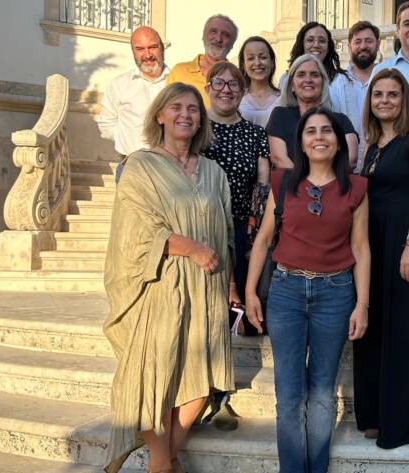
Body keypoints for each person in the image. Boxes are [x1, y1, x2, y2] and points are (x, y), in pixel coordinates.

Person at [102, 82, 235, 473]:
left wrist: (230, 283)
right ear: (159, 114)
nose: (185, 115)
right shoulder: (139, 165)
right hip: (159, 285)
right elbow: (136, 230)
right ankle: (164, 462)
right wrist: (190, 248)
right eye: (176, 107)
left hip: (207, 286)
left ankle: (164, 458)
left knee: (203, 375)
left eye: (193, 109)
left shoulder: (213, 171)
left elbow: (226, 232)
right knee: (152, 377)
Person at [244, 107, 370, 473]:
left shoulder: (356, 187)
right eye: (311, 131)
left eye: (326, 130)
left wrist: (362, 303)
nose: (319, 137)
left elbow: (361, 247)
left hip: (336, 292)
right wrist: (251, 292)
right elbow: (263, 239)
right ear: (300, 142)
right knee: (288, 392)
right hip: (286, 291)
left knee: (322, 392)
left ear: (338, 141)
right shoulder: (283, 183)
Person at [353, 68, 409, 448]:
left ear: (405, 100)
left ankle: (404, 422)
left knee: (403, 330)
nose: (385, 100)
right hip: (374, 243)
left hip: (406, 242)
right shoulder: (373, 143)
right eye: (378, 94)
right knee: (376, 328)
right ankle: (375, 413)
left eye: (392, 94)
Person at [204, 60, 270, 325]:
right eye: (218, 83)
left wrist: (256, 234)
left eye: (233, 84)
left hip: (241, 227)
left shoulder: (256, 134)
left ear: (243, 92)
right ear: (208, 88)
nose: (226, 90)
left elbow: (262, 186)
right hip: (203, 226)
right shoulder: (195, 128)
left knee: (236, 306)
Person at [97, 26, 169, 182]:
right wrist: (129, 145)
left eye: (152, 47)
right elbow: (106, 125)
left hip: (171, 171)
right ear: (133, 52)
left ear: (162, 48)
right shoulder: (119, 85)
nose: (147, 55)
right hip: (131, 170)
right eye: (140, 49)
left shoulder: (177, 82)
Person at [266, 55, 358, 169]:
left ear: (323, 83)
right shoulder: (280, 116)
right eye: (301, 75)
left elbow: (350, 159)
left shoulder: (341, 120)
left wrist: (320, 178)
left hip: (334, 181)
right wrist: (304, 180)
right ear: (292, 85)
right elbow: (279, 158)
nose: (308, 80)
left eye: (315, 75)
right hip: (291, 180)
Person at [168, 14, 238, 108]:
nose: (218, 39)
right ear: (203, 36)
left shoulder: (237, 78)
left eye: (226, 35)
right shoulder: (179, 72)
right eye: (213, 31)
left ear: (232, 44)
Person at [339, 20, 382, 169]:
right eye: (358, 42)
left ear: (378, 44)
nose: (363, 46)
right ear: (349, 46)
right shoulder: (336, 82)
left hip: (381, 165)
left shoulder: (387, 78)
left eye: (369, 41)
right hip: (344, 167)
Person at [237, 36, 281, 127]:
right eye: (251, 58)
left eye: (263, 57)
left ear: (272, 62)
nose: (257, 63)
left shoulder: (284, 98)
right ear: (243, 65)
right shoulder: (236, 98)